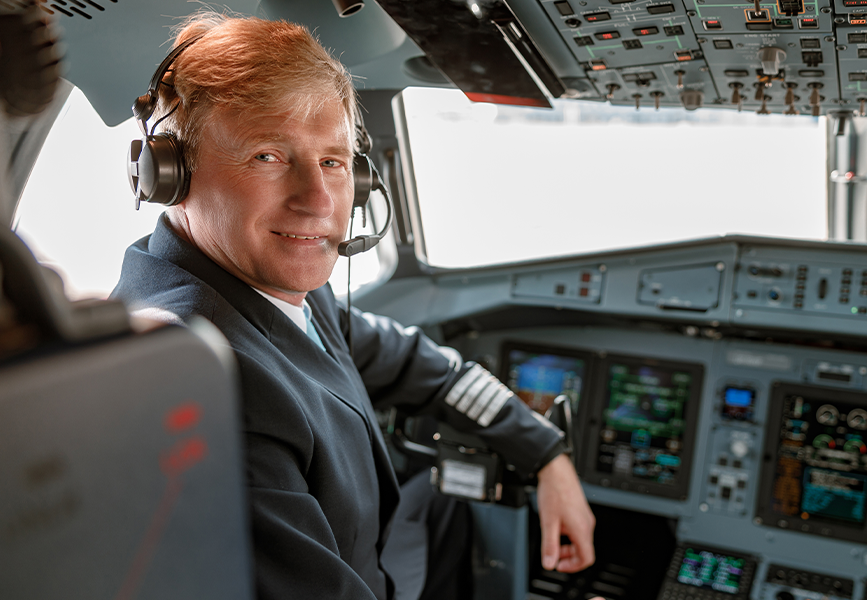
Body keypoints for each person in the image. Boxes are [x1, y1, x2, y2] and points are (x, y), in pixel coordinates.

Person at [111, 12, 596, 600]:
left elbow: (422, 365)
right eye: (268, 155)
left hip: (373, 554)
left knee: (448, 510)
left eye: (334, 162)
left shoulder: (278, 291)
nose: (318, 200)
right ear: (172, 174)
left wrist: (545, 452)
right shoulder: (205, 380)